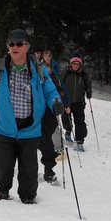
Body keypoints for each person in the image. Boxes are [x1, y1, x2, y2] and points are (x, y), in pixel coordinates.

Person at [0, 29, 63, 203]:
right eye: (11, 43)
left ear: (27, 46)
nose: (14, 47)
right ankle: (3, 191)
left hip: (30, 129)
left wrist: (56, 102)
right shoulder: (0, 67)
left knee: (28, 169)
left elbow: (50, 92)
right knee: (3, 165)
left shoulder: (38, 69)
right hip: (5, 127)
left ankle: (28, 197)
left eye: (19, 43)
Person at [39, 52, 71, 182]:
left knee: (46, 141)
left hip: (49, 114)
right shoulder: (34, 77)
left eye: (48, 71)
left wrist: (63, 104)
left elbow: (61, 92)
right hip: (35, 114)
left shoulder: (55, 80)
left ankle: (49, 170)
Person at [60, 55, 92, 151]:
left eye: (77, 64)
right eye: (74, 64)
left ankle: (79, 141)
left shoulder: (83, 74)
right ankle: (68, 132)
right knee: (66, 118)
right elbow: (59, 84)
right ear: (71, 64)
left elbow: (88, 84)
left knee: (80, 121)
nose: (76, 66)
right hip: (66, 101)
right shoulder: (65, 72)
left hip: (79, 101)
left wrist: (89, 92)